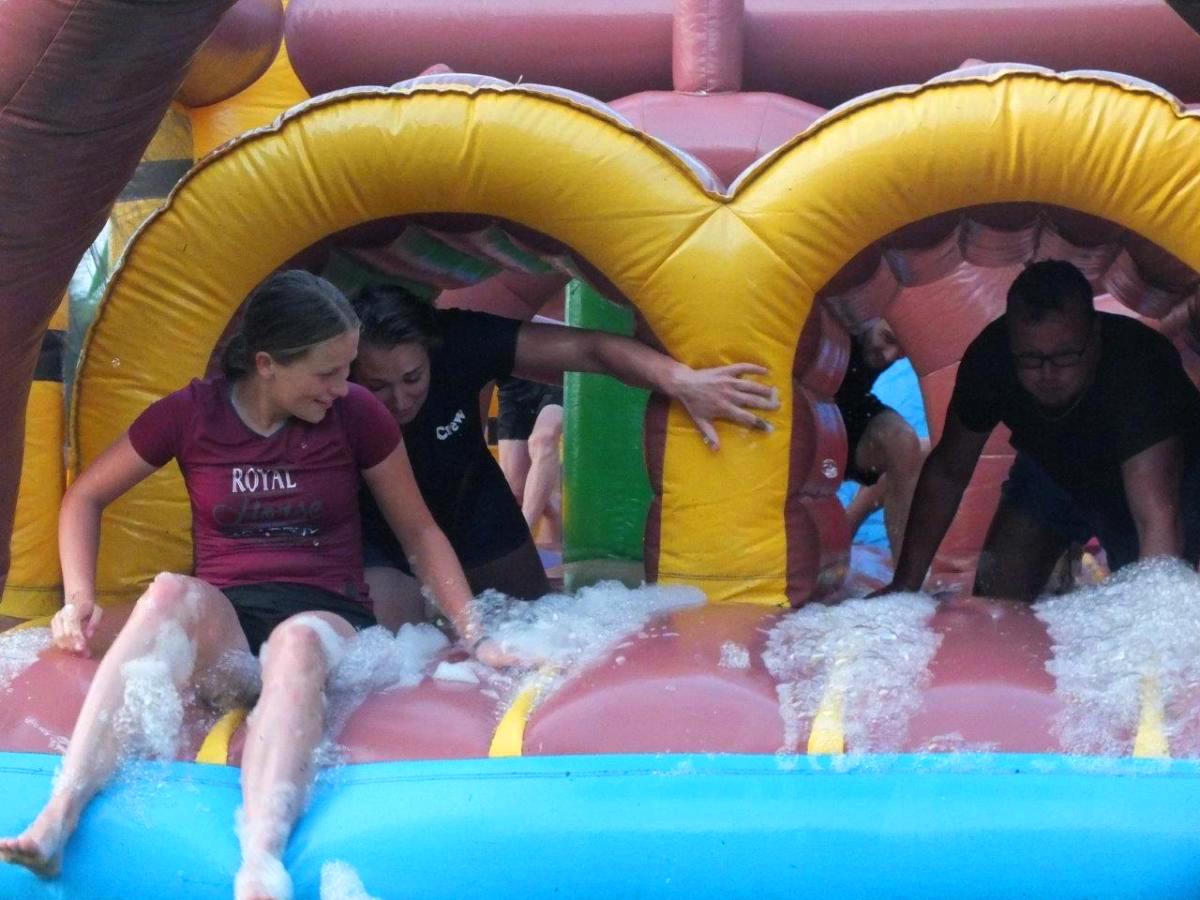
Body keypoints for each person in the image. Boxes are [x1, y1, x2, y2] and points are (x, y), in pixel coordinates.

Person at [0, 271, 502, 899]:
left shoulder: (356, 415)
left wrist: (476, 634)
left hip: (327, 620)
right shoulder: (193, 414)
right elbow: (85, 497)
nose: (342, 386)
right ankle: (58, 816)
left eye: (346, 369)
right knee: (168, 592)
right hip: (231, 628)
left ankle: (261, 861)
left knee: (296, 641)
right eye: (326, 372)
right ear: (267, 364)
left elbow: (420, 533)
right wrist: (79, 598)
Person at [349, 284, 780, 628]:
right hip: (379, 528)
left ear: (431, 351)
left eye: (412, 378)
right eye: (378, 386)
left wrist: (682, 381)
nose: (400, 400)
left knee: (535, 626)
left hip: (470, 504)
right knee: (391, 644)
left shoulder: (459, 340)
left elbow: (589, 349)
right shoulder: (332, 387)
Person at [876, 259, 1200, 601]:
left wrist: (1151, 614)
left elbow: (1156, 519)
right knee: (995, 598)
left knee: (1144, 590)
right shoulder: (992, 358)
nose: (1047, 374)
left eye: (1064, 357)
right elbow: (947, 471)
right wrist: (904, 584)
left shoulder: (1138, 369)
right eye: (1030, 359)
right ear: (1012, 341)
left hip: (1157, 476)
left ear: (1094, 337)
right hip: (1053, 469)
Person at [836, 318, 925, 554]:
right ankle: (845, 528)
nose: (889, 356)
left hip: (847, 410)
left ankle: (903, 571)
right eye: (887, 338)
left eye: (903, 352)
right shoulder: (838, 316)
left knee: (904, 443)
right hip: (799, 412)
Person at [496, 374, 563, 543]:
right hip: (514, 382)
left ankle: (521, 535)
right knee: (517, 491)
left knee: (543, 438)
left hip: (557, 374)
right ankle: (557, 513)